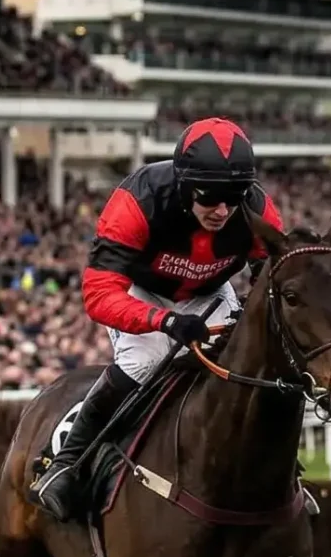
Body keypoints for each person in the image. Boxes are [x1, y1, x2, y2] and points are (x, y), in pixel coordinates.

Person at [30, 117, 285, 519]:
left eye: (232, 198)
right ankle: (65, 464)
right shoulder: (137, 201)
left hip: (209, 293)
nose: (222, 211)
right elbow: (98, 296)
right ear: (185, 186)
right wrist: (163, 321)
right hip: (141, 292)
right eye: (210, 198)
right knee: (144, 361)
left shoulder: (256, 208)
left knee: (246, 362)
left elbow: (273, 276)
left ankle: (279, 478)